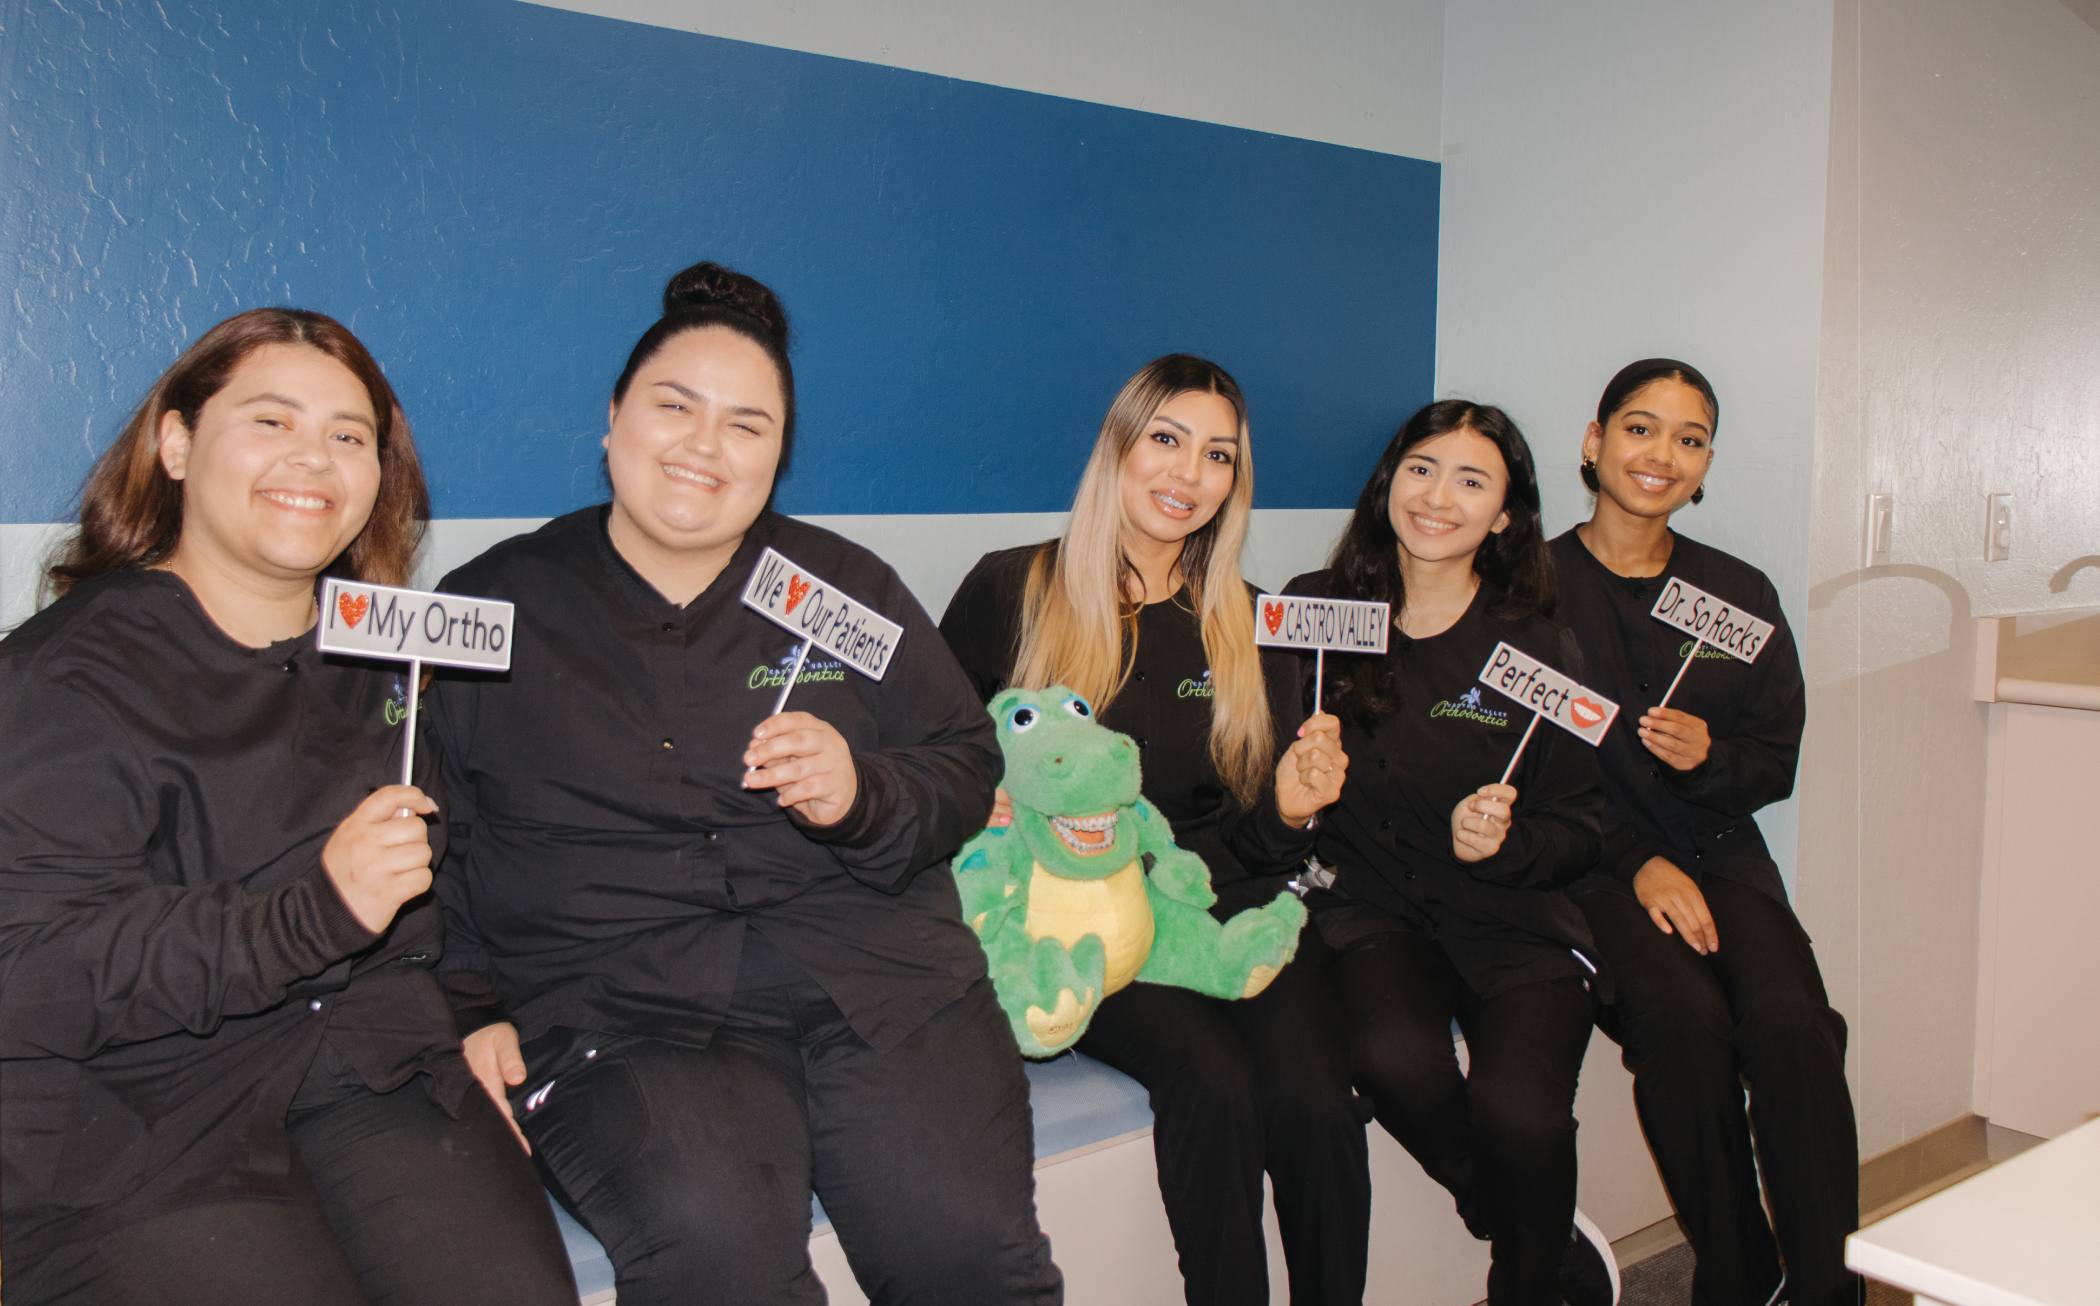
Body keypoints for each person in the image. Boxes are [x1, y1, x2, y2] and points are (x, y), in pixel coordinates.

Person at [425, 262, 1062, 1306]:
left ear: (778, 454)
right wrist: (464, 1002)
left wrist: (862, 793)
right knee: (719, 1264)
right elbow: (436, 830)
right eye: (675, 407)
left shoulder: (841, 588)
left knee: (971, 1263)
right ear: (614, 418)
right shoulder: (493, 608)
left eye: (747, 425)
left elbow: (961, 756)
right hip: (627, 1012)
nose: (704, 448)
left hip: (879, 985)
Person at [0, 309, 576, 1306]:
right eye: (270, 421)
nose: (312, 459)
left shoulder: (384, 654)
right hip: (142, 1108)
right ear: (176, 443)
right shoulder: (64, 677)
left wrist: (480, 1008)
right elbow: (36, 971)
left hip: (373, 1073)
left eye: (349, 436)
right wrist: (312, 912)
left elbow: (458, 859)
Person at [939, 354, 1370, 1306]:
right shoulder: (1012, 588)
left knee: (1315, 1098)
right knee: (1212, 1081)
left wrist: (1292, 811)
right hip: (1092, 921)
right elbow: (934, 765)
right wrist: (973, 801)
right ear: (1118, 450)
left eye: (1217, 455)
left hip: (1222, 903)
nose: (1188, 474)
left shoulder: (1248, 621)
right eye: (1166, 441)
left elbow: (1257, 845)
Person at [1282, 400, 1617, 1306]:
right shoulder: (1314, 615)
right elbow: (1257, 776)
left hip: (1514, 923)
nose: (1439, 497)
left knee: (1524, 1111)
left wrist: (1508, 842)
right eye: (1423, 468)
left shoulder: (1540, 648)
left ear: (1505, 515)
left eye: (1473, 481)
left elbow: (1584, 827)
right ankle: (1520, 1221)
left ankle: (1529, 1279)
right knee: (1391, 1059)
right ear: (1391, 479)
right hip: (1372, 915)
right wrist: (1287, 781)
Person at [1556, 358, 1858, 1306]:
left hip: (1721, 856)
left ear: (1706, 464)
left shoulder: (1737, 593)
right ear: (1594, 442)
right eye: (1641, 428)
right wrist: (1634, 860)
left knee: (1794, 1026)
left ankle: (1825, 1283)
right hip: (1589, 867)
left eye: (1689, 439)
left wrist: (1710, 757)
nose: (1662, 455)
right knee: (1684, 1027)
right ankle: (1739, 1270)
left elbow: (1775, 759)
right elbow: (1510, 773)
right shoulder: (1527, 588)